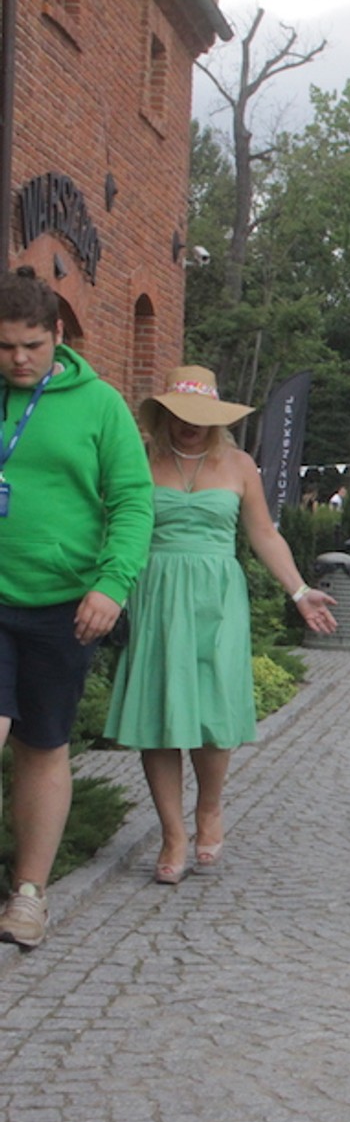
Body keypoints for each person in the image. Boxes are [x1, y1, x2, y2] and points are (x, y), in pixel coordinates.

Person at [101, 364, 337, 885]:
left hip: (215, 596)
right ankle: (172, 832)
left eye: (202, 416)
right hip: (155, 592)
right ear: (164, 414)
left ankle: (209, 807)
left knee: (210, 713)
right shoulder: (141, 461)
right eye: (182, 414)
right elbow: (115, 526)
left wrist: (299, 591)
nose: (191, 424)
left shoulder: (239, 465)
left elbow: (265, 536)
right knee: (159, 715)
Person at [0, 268, 156, 950]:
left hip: (64, 602)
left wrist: (111, 584)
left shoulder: (100, 406)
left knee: (43, 743)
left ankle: (28, 895)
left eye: (31, 345)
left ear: (57, 335)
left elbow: (131, 502)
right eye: (4, 347)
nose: (18, 359)